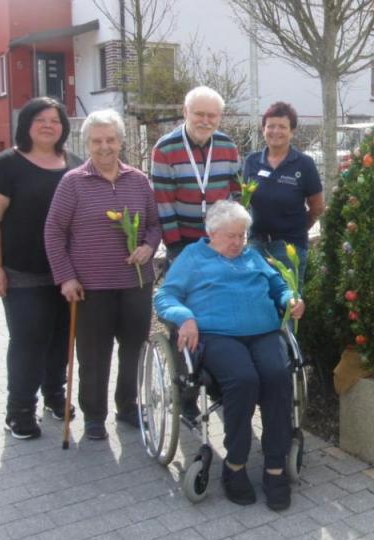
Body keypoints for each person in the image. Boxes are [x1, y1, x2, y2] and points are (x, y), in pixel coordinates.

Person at [154, 200, 305, 510]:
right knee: (243, 378)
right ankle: (235, 465)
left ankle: (274, 468)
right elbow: (166, 296)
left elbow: (276, 284)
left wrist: (290, 297)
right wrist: (184, 316)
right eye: (231, 236)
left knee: (278, 377)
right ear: (212, 233)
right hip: (217, 335)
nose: (238, 242)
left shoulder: (252, 255)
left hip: (263, 332)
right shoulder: (193, 257)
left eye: (242, 235)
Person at [44, 109, 161, 441]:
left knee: (132, 350)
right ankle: (95, 416)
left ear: (121, 142)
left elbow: (154, 225)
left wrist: (149, 247)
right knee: (93, 354)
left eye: (110, 139)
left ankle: (127, 407)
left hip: (135, 283)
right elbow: (53, 232)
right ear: (88, 144)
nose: (105, 146)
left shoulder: (138, 180)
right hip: (90, 287)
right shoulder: (73, 182)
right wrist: (66, 277)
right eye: (97, 141)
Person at [0, 97, 83, 439]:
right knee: (28, 340)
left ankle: (54, 396)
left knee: (62, 340)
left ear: (64, 127)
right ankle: (19, 410)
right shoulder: (6, 165)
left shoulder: (74, 164)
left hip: (66, 273)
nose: (49, 125)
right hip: (23, 272)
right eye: (41, 119)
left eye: (55, 119)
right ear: (27, 125)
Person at [152, 86, 241, 262]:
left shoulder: (228, 146)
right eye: (199, 114)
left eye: (212, 115)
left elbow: (237, 193)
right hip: (183, 243)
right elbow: (163, 202)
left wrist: (234, 235)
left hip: (222, 240)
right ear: (186, 112)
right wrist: (174, 245)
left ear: (219, 117)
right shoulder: (165, 149)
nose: (205, 121)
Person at [243, 102, 324, 280]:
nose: (275, 131)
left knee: (288, 304)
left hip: (289, 247)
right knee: (256, 299)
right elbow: (242, 201)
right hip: (256, 245)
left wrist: (299, 230)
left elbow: (317, 206)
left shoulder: (304, 164)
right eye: (270, 126)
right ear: (263, 129)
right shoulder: (252, 162)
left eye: (282, 127)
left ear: (292, 131)